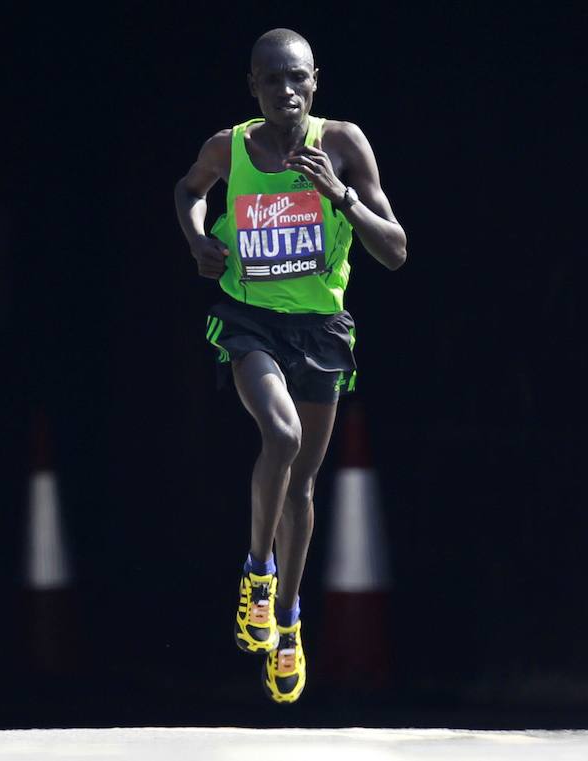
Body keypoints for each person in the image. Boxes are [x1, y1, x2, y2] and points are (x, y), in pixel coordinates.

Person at [174, 28, 406, 704]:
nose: (286, 91)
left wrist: (342, 197)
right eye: (271, 79)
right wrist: (196, 239)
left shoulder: (343, 144)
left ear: (315, 81)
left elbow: (395, 250)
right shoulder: (230, 147)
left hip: (322, 328)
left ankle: (288, 622)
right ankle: (256, 570)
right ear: (253, 85)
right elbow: (188, 188)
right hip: (250, 318)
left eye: (297, 78)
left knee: (302, 483)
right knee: (282, 434)